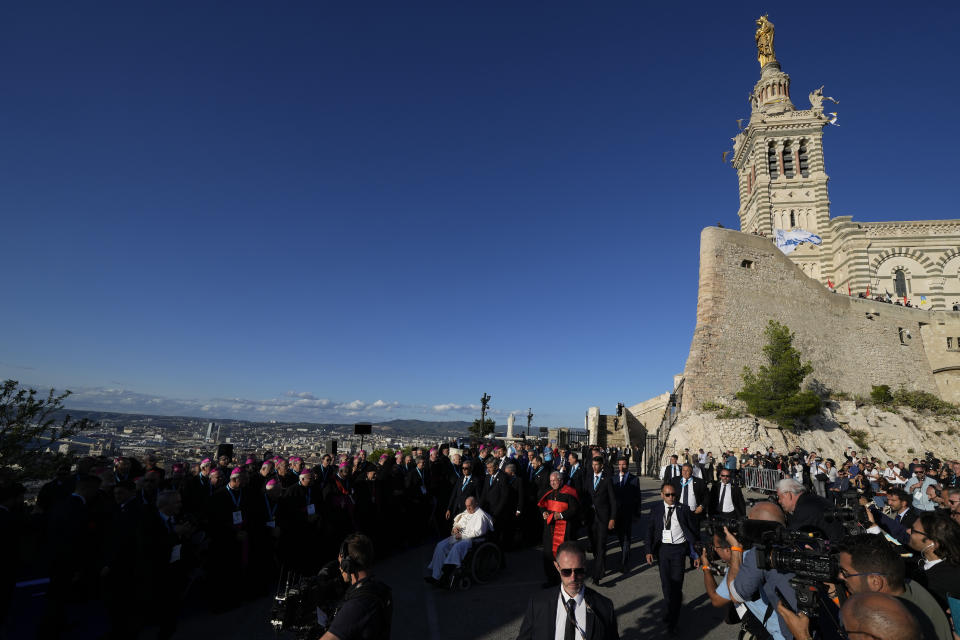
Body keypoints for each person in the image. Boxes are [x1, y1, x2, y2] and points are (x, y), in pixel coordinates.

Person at [834, 535, 952, 640]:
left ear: (875, 582)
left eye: (845, 573)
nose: (840, 576)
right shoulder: (908, 586)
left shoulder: (890, 625)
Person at [515, 541, 619, 640]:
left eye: (579, 571)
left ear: (585, 567)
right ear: (557, 567)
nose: (573, 578)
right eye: (566, 572)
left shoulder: (604, 607)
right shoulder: (538, 603)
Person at [644, 482, 698, 635]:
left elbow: (693, 533)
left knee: (676, 586)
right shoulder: (656, 509)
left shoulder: (684, 510)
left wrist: (696, 554)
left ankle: (673, 621)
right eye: (667, 495)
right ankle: (670, 610)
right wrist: (648, 550)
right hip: (663, 550)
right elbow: (650, 531)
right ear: (662, 495)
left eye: (673, 494)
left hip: (679, 551)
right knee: (666, 585)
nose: (671, 497)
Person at [320, 533, 392, 640]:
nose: (340, 568)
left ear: (347, 564)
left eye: (341, 563)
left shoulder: (357, 605)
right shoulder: (381, 589)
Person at [425, 496, 493, 586]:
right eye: (466, 506)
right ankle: (435, 576)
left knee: (457, 548)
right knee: (441, 545)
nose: (468, 508)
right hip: (459, 536)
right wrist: (456, 528)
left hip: (471, 540)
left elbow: (478, 532)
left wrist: (462, 535)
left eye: (470, 506)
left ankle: (446, 576)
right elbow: (459, 523)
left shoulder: (481, 515)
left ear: (476, 504)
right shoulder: (467, 512)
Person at [908, 512, 960, 609]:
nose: (908, 531)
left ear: (934, 543)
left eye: (914, 531)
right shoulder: (921, 560)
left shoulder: (941, 581)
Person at [538, 471, 580, 588]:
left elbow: (574, 510)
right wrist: (544, 513)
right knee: (548, 554)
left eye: (554, 481)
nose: (552, 483)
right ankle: (551, 579)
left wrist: (561, 515)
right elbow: (542, 505)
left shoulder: (570, 492)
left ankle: (565, 580)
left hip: (564, 529)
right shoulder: (549, 492)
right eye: (551, 481)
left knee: (563, 555)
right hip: (549, 530)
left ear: (561, 480)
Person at [582, 455, 617, 584]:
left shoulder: (607, 480)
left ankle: (597, 576)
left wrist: (612, 518)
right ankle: (600, 566)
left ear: (601, 466)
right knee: (594, 545)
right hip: (591, 518)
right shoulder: (588, 478)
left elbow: (613, 501)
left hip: (603, 518)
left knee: (601, 545)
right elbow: (585, 498)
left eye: (597, 465)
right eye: (593, 465)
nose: (595, 467)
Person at [774, 477, 844, 540]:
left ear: (788, 495)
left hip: (832, 548)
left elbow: (792, 536)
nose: (779, 501)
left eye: (779, 497)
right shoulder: (813, 499)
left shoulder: (803, 508)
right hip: (837, 542)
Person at [611, 457, 641, 572]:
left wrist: (637, 514)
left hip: (628, 514)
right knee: (620, 536)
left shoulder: (634, 479)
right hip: (616, 515)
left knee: (626, 538)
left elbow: (637, 498)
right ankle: (625, 553)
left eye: (623, 464)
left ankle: (624, 561)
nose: (621, 467)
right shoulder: (613, 479)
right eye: (619, 464)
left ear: (627, 466)